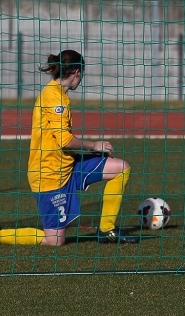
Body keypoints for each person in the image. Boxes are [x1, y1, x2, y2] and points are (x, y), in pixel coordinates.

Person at [0, 50, 138, 246]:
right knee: (54, 241)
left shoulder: (60, 96)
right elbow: (65, 141)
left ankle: (107, 229)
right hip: (49, 174)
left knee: (121, 168)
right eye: (81, 73)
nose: (80, 78)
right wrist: (94, 145)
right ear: (76, 72)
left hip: (69, 165)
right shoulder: (54, 98)